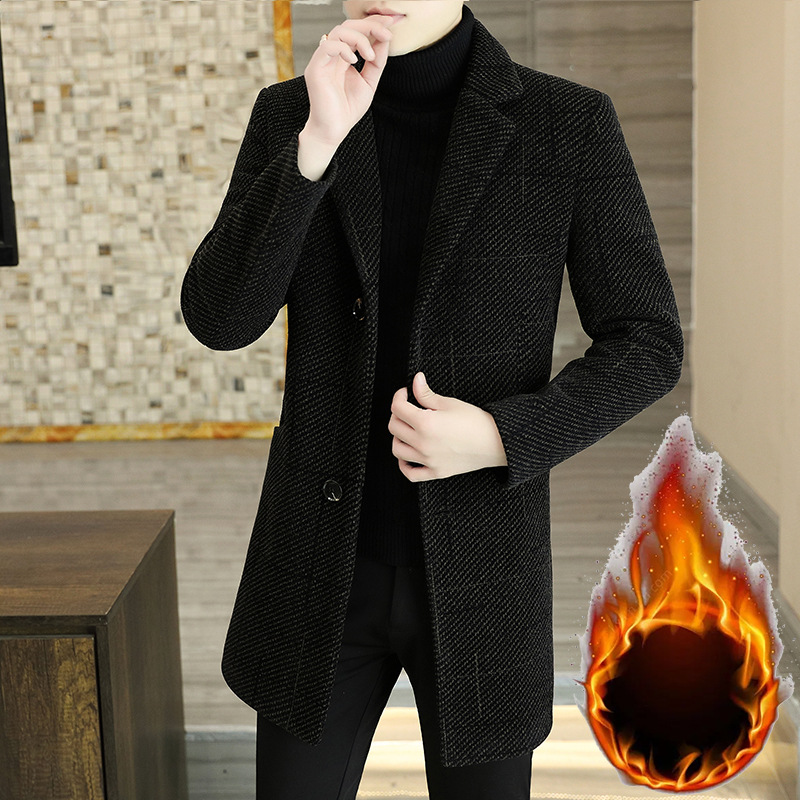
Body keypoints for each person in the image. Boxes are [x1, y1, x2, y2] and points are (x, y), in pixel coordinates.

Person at [180, 1, 684, 798]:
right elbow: (219, 318)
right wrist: (314, 148)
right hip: (317, 568)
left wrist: (501, 435)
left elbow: (647, 341)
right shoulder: (291, 113)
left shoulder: (566, 122)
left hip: (482, 572)